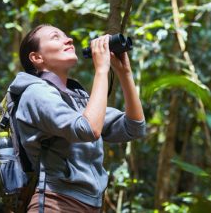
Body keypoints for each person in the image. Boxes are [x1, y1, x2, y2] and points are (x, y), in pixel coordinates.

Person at [8, 24, 146, 212]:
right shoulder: (35, 93)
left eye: (65, 34)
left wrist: (125, 73)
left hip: (90, 205)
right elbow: (88, 129)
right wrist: (101, 70)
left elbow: (134, 127)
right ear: (37, 57)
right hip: (55, 203)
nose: (68, 39)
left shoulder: (77, 98)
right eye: (56, 37)